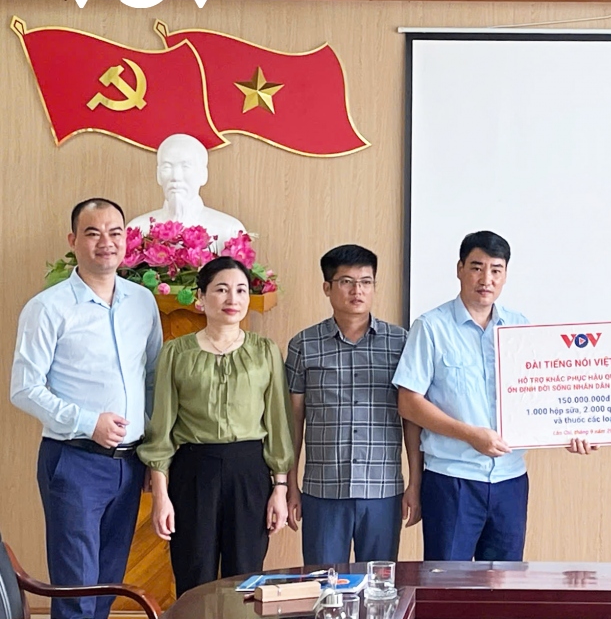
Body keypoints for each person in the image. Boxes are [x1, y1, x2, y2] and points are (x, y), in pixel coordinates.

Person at [10, 198, 162, 619]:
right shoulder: (48, 307)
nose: (106, 242)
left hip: (129, 464)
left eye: (115, 232)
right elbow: (23, 388)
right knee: (77, 587)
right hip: (74, 460)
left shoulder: (143, 302)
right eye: (93, 233)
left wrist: (152, 453)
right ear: (73, 240)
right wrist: (87, 421)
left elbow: (152, 378)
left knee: (108, 584)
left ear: (127, 240)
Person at [138, 256, 294, 596]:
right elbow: (161, 427)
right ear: (201, 296)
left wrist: (280, 488)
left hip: (249, 471)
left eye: (240, 290)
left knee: (246, 577)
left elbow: (278, 421)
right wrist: (161, 496)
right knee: (194, 574)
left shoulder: (265, 351)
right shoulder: (176, 353)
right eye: (221, 289)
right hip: (193, 471)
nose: (232, 299)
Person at [393, 231, 530, 561]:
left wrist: (570, 429)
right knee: (446, 582)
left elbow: (537, 396)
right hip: (452, 480)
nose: (486, 279)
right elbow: (409, 403)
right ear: (460, 269)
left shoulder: (519, 327)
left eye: (496, 270)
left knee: (505, 582)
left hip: (510, 479)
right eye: (477, 267)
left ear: (505, 275)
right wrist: (470, 435)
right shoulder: (431, 327)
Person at [286, 244, 420, 565]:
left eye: (366, 282)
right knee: (323, 584)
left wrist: (415, 482)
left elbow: (412, 420)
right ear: (327, 287)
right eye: (346, 282)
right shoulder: (304, 344)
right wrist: (290, 486)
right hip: (323, 492)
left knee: (378, 585)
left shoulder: (401, 342)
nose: (357, 291)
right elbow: (292, 422)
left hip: (383, 491)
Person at [128, 133, 247, 247]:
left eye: (185, 167)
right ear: (158, 175)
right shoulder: (137, 230)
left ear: (203, 175)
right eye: (167, 167)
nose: (175, 177)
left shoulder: (230, 231)